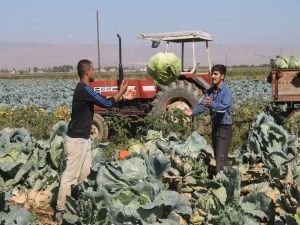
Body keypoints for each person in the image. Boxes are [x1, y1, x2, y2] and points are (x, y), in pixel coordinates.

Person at [54, 59, 135, 221]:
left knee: (85, 174)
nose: (95, 72)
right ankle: (60, 210)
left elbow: (103, 100)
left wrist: (122, 97)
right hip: (76, 141)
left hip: (83, 140)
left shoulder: (85, 90)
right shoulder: (84, 89)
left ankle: (78, 204)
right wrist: (121, 92)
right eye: (93, 70)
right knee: (70, 176)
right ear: (88, 72)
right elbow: (106, 103)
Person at [184, 64, 233, 174]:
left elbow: (225, 106)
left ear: (222, 76)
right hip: (215, 127)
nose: (213, 76)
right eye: (212, 74)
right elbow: (203, 105)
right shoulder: (210, 91)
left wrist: (212, 104)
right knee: (219, 155)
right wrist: (192, 112)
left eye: (216, 74)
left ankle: (220, 183)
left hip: (224, 128)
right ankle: (230, 176)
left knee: (220, 157)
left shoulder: (226, 91)